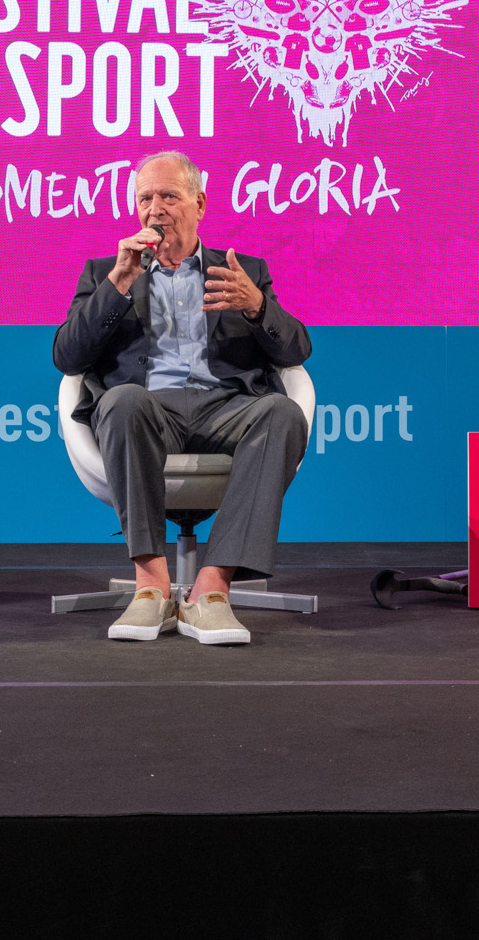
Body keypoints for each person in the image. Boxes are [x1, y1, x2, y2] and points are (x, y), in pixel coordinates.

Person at [54, 150, 312, 645]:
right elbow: (68, 357)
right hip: (150, 410)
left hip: (226, 409)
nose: (155, 209)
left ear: (199, 203)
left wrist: (258, 308)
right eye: (145, 198)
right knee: (122, 401)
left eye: (169, 196)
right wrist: (118, 284)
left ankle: (210, 591)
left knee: (282, 412)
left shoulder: (242, 271)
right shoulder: (106, 272)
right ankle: (151, 586)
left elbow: (297, 349)